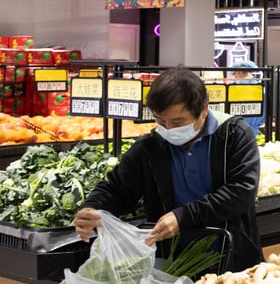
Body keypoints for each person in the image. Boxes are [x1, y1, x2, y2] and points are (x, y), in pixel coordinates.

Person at [73, 66, 263, 272]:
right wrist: (93, 208)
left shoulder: (233, 134)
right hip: (172, 261)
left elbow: (242, 191)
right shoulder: (151, 146)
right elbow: (118, 188)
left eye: (178, 122)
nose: (169, 129)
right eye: (161, 121)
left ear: (203, 110)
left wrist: (183, 217)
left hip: (232, 256)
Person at [231, 59, 265, 136]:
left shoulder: (234, 89)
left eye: (235, 73)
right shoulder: (261, 89)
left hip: (237, 131)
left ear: (239, 72)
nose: (234, 76)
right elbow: (264, 113)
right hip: (254, 131)